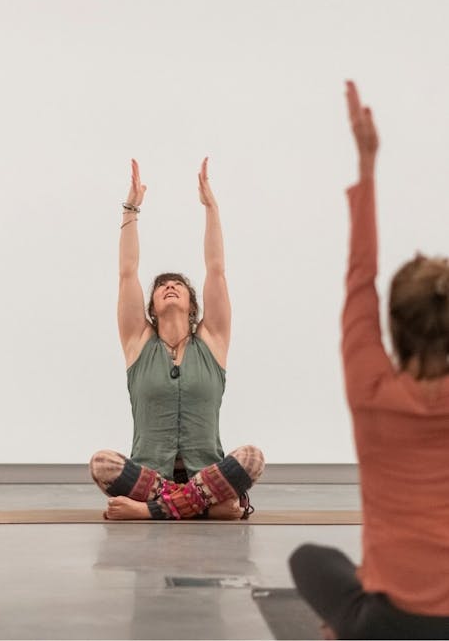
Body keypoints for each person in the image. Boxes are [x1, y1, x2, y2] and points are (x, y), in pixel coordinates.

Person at [289, 81, 449, 639]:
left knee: (310, 559)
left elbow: (361, 275)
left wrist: (366, 162)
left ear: (395, 329)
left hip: (389, 625)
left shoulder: (370, 389)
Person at [90, 158, 264, 520]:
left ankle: (151, 511)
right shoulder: (138, 342)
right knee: (103, 463)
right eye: (162, 286)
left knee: (252, 457)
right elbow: (127, 273)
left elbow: (216, 269)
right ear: (152, 307)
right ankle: (205, 507)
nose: (169, 286)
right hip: (151, 477)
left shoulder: (212, 340)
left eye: (178, 285)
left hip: (206, 473)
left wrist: (211, 207)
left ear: (192, 304)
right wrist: (131, 209)